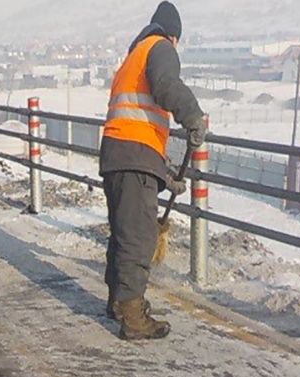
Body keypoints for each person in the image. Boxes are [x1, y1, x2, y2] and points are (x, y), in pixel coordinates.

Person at [100, 1, 206, 340]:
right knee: (139, 237)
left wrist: (164, 171)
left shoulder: (133, 57)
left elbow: (139, 117)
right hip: (134, 153)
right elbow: (165, 86)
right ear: (175, 36)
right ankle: (132, 317)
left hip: (118, 154)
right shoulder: (160, 47)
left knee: (123, 231)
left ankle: (118, 301)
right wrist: (192, 116)